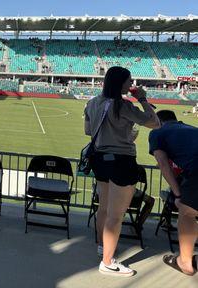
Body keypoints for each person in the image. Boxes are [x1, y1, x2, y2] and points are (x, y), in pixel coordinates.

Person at [84, 66, 159, 277]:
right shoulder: (123, 106)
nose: (131, 85)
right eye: (129, 81)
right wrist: (142, 99)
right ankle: (107, 262)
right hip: (122, 161)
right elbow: (155, 122)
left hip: (100, 160)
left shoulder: (92, 103)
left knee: (104, 209)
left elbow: (88, 131)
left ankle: (102, 248)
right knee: (116, 215)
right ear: (120, 84)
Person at [149, 110, 198, 276]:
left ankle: (185, 262)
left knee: (186, 212)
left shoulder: (157, 132)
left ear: (158, 121)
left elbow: (163, 164)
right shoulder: (191, 127)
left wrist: (177, 195)